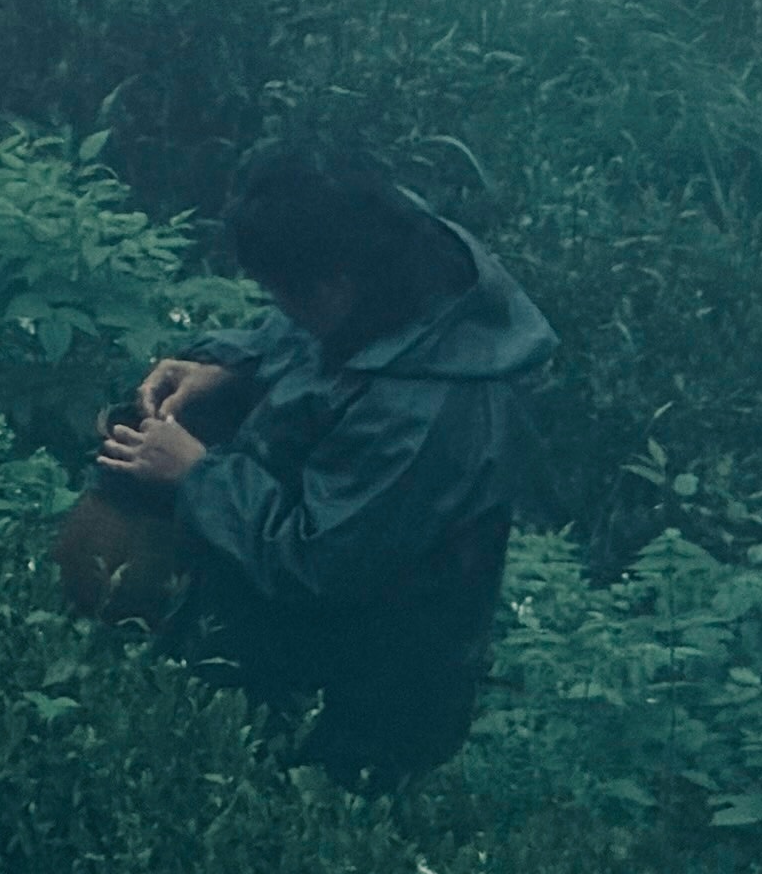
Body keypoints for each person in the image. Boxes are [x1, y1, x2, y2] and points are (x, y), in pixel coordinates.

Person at [80, 151, 553, 786]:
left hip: (358, 693)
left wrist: (197, 473)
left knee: (278, 818)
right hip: (281, 637)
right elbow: (308, 343)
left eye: (285, 291)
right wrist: (227, 364)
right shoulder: (385, 266)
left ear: (331, 285)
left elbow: (317, 560)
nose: (279, 305)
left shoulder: (428, 415)